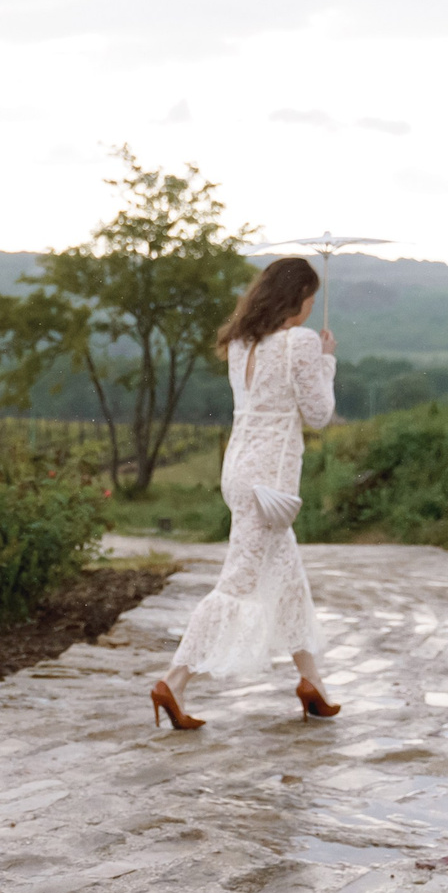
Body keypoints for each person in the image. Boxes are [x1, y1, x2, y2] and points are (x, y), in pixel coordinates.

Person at [152, 255, 341, 729]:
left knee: (289, 578)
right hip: (270, 483)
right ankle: (173, 681)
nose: (308, 310)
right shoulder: (299, 342)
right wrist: (328, 362)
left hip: (238, 469)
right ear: (296, 299)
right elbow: (318, 414)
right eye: (309, 301)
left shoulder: (241, 342)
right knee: (236, 582)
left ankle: (312, 684)